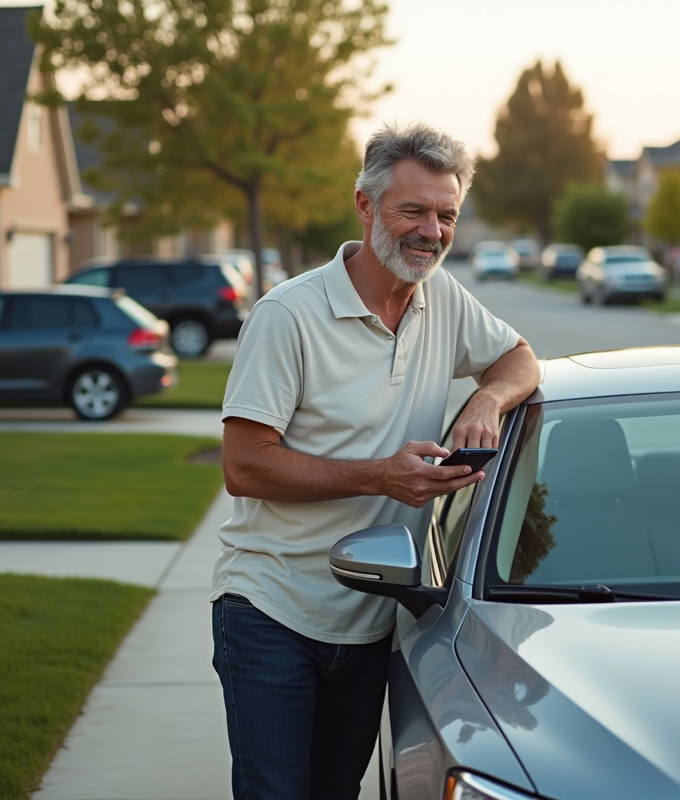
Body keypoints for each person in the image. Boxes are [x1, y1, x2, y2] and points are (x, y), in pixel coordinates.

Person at [211, 121, 541, 800]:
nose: (432, 231)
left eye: (446, 215)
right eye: (412, 210)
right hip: (272, 613)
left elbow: (519, 358)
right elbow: (245, 466)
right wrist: (380, 475)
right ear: (365, 207)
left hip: (371, 623)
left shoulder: (441, 299)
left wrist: (487, 400)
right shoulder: (288, 316)